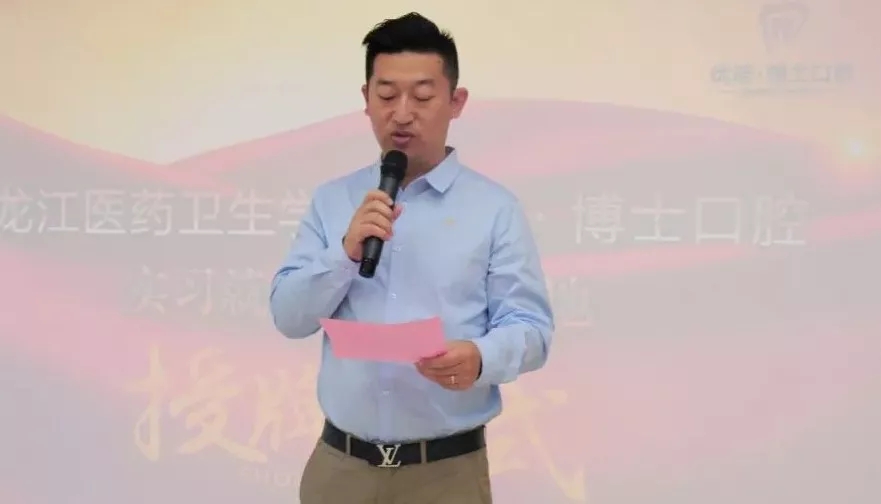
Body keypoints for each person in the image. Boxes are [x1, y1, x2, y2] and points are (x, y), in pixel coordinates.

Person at [269, 12, 554, 504]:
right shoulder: (333, 200)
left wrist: (481, 357)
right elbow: (289, 317)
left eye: (422, 97)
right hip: (340, 468)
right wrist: (344, 253)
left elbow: (532, 329)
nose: (402, 114)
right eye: (386, 96)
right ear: (366, 100)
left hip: (446, 474)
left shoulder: (494, 208)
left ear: (456, 102)